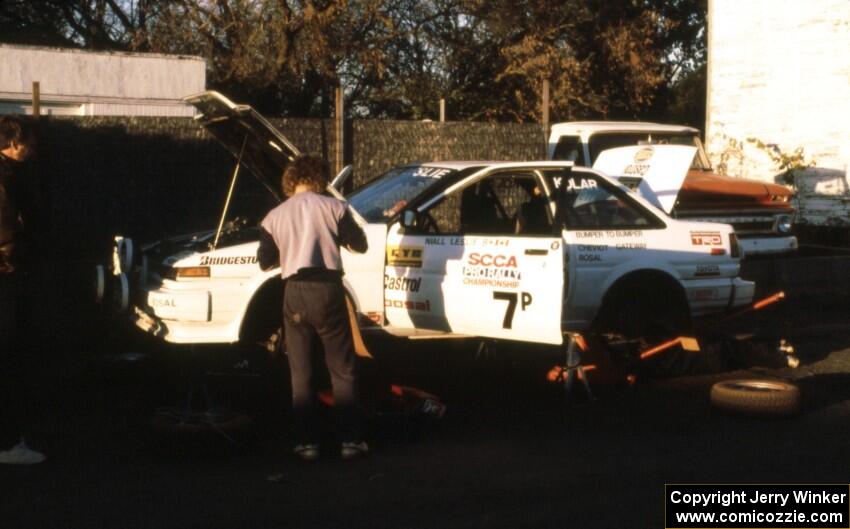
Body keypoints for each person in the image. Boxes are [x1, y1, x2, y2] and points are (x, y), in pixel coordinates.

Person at [257, 155, 369, 461]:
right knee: (342, 369)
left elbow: (265, 261)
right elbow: (360, 245)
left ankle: (306, 444)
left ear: (290, 181)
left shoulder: (273, 216)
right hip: (329, 291)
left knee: (301, 371)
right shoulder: (335, 207)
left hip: (293, 293)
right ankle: (350, 441)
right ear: (319, 180)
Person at [0, 115, 45, 465]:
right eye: (29, 142)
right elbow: (8, 233)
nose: (34, 148)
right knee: (10, 353)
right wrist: (18, 266)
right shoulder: (4, 180)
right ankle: (9, 443)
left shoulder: (12, 175)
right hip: (7, 277)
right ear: (14, 143)